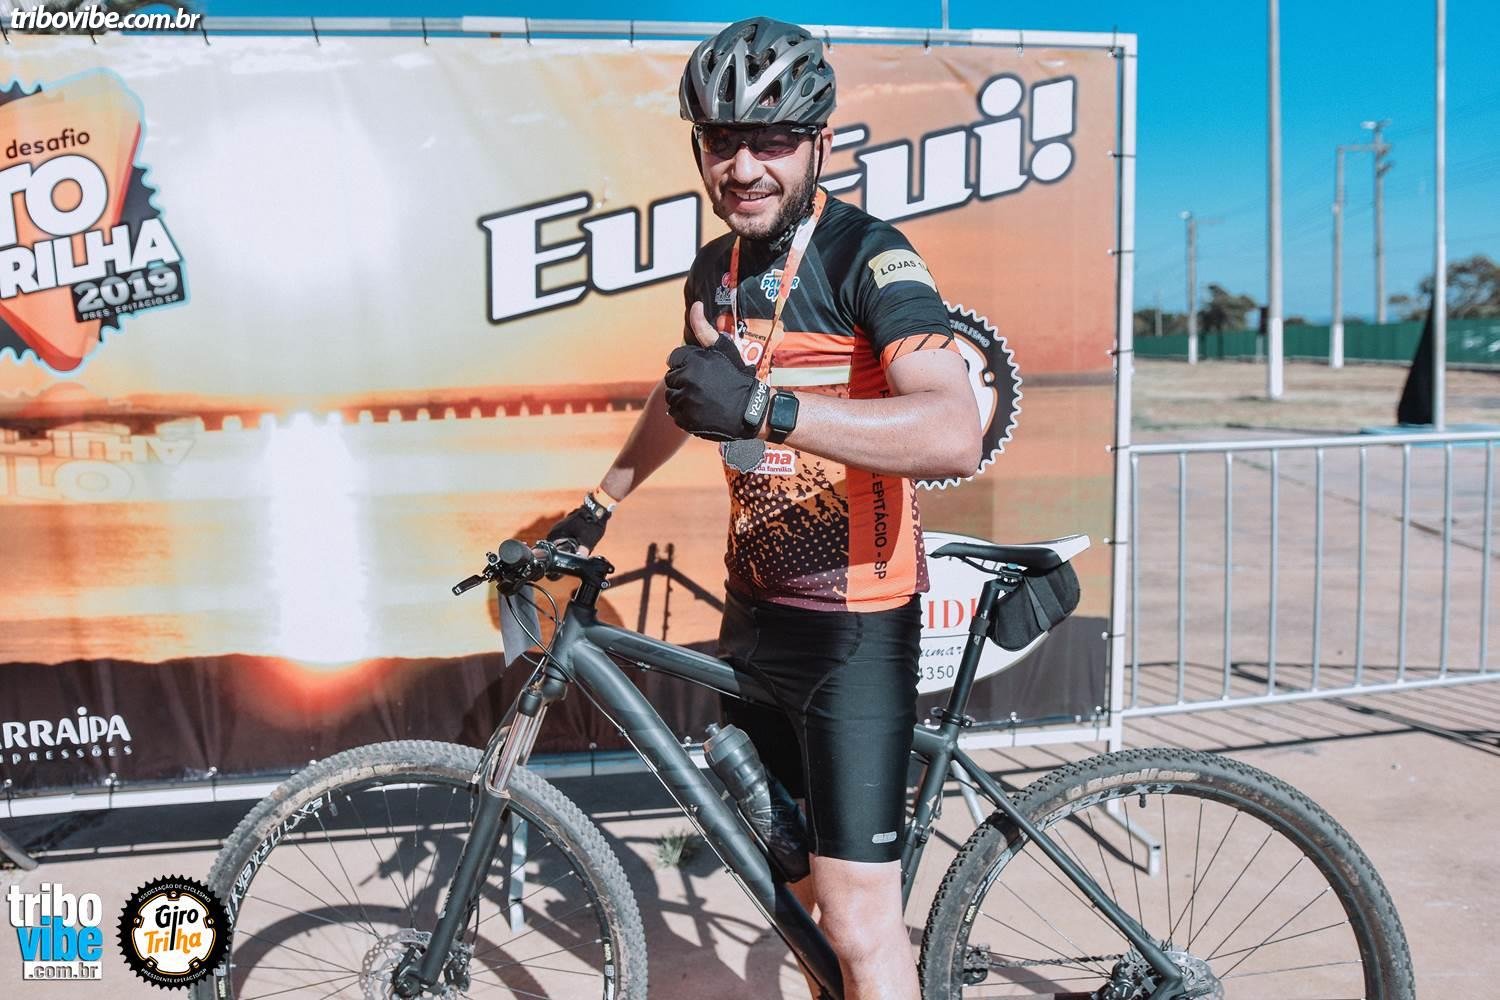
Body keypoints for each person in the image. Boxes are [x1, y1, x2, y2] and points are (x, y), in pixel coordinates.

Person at [547, 17, 981, 1000]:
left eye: (772, 139)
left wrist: (770, 408)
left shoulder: (871, 257)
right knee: (791, 889)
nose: (743, 167)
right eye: (721, 139)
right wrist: (597, 504)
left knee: (861, 923)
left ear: (821, 140)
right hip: (754, 614)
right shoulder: (715, 269)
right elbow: (688, 395)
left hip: (853, 627)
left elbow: (952, 429)